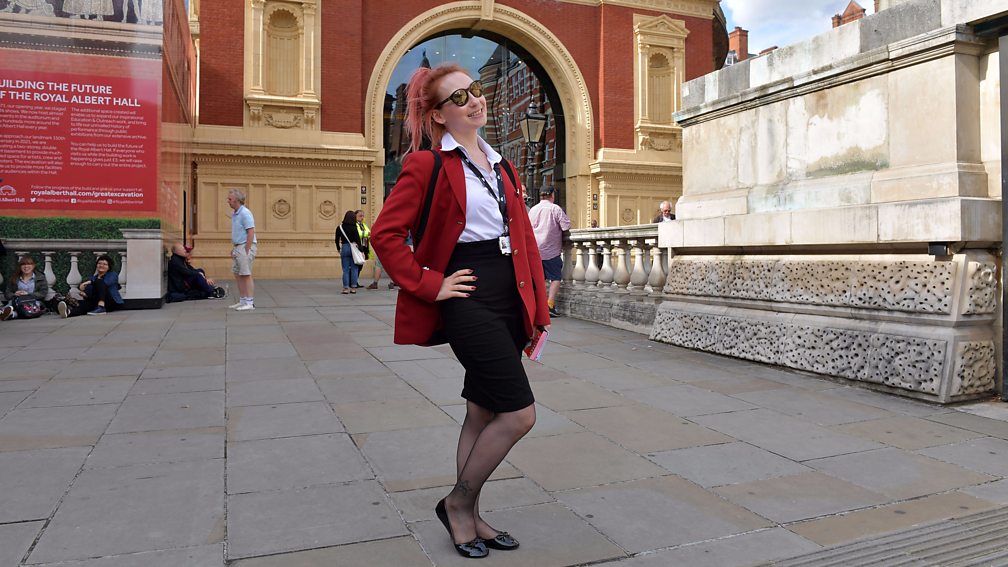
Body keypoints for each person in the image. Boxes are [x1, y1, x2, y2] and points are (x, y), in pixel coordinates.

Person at [371, 63, 550, 559]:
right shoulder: (426, 165)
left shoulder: (502, 165)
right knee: (519, 414)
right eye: (458, 98)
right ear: (438, 116)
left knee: (481, 410)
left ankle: (470, 517)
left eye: (474, 90)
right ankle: (457, 503)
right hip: (467, 296)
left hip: (509, 294)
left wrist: (538, 307)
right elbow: (385, 234)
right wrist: (431, 284)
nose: (474, 100)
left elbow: (524, 241)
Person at [527, 186, 571, 318]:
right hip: (551, 251)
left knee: (539, 280)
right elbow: (566, 226)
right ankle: (550, 305)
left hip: (536, 250)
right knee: (555, 278)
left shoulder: (533, 209)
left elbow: (527, 228)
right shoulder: (555, 208)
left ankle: (538, 306)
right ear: (552, 195)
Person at [1, 255, 68, 320]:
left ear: (33, 266)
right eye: (23, 264)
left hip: (33, 301)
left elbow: (43, 293)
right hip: (17, 301)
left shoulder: (40, 277)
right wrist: (15, 294)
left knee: (30, 309)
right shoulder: (15, 278)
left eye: (28, 264)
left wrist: (28, 294)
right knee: (12, 305)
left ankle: (12, 314)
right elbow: (7, 293)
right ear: (20, 267)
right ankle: (6, 312)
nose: (26, 266)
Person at [227, 189, 257, 311]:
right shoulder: (235, 213)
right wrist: (234, 248)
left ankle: (249, 302)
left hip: (245, 246)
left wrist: (246, 250)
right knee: (238, 274)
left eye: (230, 199)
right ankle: (243, 300)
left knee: (246, 274)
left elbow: (251, 231)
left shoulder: (245, 213)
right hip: (238, 246)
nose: (228, 201)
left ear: (237, 200)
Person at [335, 210, 363, 294]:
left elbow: (336, 239)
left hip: (345, 247)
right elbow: (358, 240)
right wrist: (361, 251)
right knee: (354, 269)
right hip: (354, 248)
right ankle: (353, 287)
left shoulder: (340, 227)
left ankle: (346, 288)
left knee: (345, 269)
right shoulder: (354, 228)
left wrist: (338, 248)